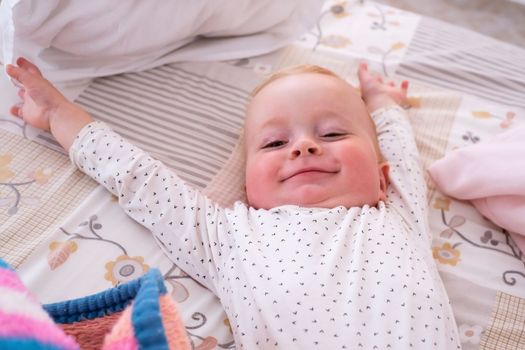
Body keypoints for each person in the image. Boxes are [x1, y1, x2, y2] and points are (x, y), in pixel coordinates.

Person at [6, 57, 461, 349]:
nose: (302, 147)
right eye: (275, 142)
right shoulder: (227, 235)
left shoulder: (393, 210)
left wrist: (381, 100)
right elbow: (137, 178)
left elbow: (397, 147)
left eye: (334, 133)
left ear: (382, 179)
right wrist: (58, 115)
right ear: (247, 186)